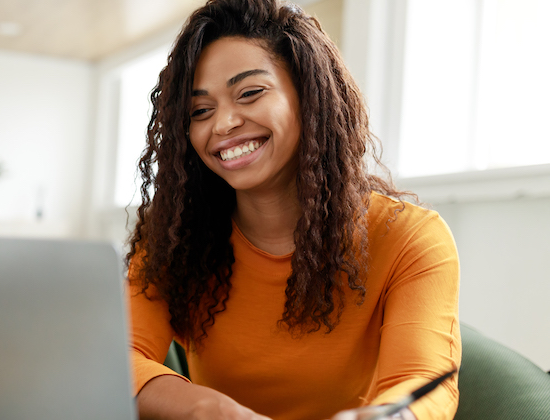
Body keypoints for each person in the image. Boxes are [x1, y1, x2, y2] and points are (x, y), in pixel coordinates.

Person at [125, 1, 461, 419]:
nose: (223, 124)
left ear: (310, 96)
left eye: (250, 93)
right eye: (200, 111)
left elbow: (424, 381)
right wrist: (211, 410)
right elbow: (118, 357)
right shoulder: (176, 238)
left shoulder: (410, 238)